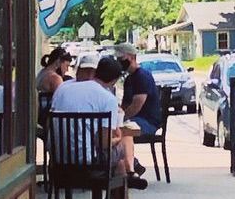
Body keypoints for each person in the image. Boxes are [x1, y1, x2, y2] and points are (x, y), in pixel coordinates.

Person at [50, 57, 147, 190]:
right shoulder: (108, 98)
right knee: (121, 153)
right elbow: (104, 143)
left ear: (96, 72)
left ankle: (128, 177)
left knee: (117, 157)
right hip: (88, 162)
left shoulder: (63, 88)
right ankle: (128, 177)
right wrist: (117, 139)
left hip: (58, 158)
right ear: (114, 81)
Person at [115, 42, 160, 177]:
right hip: (135, 119)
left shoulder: (142, 76)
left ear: (132, 57)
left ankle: (131, 169)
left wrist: (121, 119)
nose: (120, 62)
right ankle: (131, 165)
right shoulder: (129, 79)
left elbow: (137, 105)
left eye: (122, 59)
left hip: (147, 121)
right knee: (112, 132)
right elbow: (125, 105)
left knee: (124, 131)